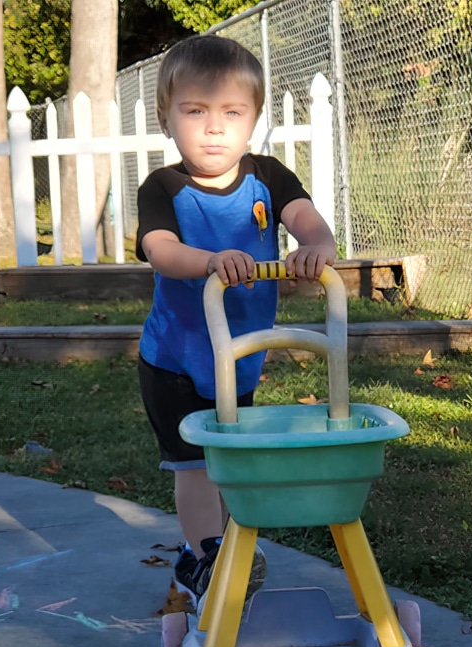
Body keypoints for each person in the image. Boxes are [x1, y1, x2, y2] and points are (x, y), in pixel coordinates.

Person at [136, 35, 337, 603]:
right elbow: (160, 251)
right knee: (196, 466)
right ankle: (208, 561)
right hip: (175, 358)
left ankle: (206, 554)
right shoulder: (164, 188)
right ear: (167, 117)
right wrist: (211, 262)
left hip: (237, 357)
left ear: (253, 119)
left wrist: (315, 248)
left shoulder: (268, 177)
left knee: (225, 461)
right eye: (195, 111)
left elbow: (308, 220)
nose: (214, 128)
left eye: (231, 112)